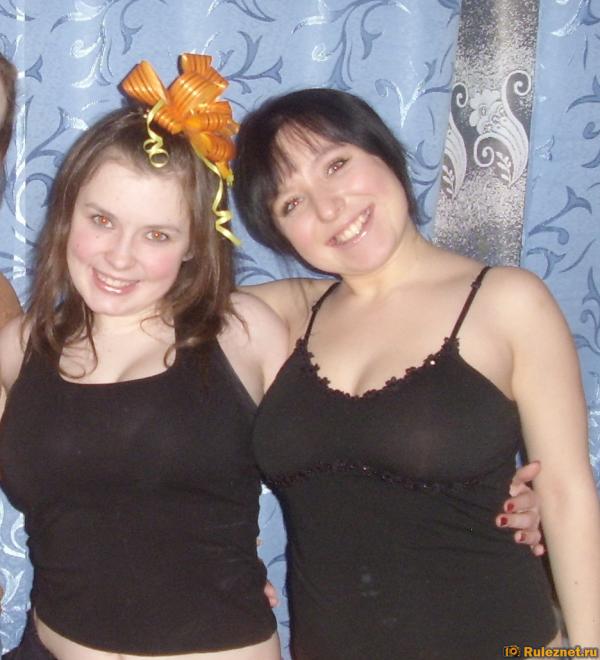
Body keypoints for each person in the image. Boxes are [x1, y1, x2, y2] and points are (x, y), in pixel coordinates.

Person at [232, 88, 600, 658]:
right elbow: (150, 315)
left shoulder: (508, 302)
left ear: (385, 154)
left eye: (336, 165)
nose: (329, 207)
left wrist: (586, 651)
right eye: (292, 203)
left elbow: (566, 493)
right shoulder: (286, 315)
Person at [0, 54, 286, 659]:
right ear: (66, 213)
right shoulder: (19, 346)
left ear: (194, 244)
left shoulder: (244, 332)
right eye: (102, 220)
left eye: (157, 234)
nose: (120, 256)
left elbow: (348, 463)